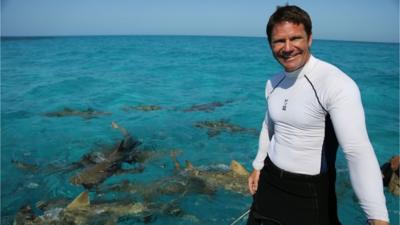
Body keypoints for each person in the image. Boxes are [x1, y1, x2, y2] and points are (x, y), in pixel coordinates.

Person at [247, 5, 389, 225]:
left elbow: (357, 151)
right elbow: (269, 125)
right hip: (270, 183)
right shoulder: (273, 83)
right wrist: (258, 166)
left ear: (309, 39)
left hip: (311, 192)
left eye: (295, 38)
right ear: (270, 44)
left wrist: (377, 216)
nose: (287, 48)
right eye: (279, 41)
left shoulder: (335, 83)